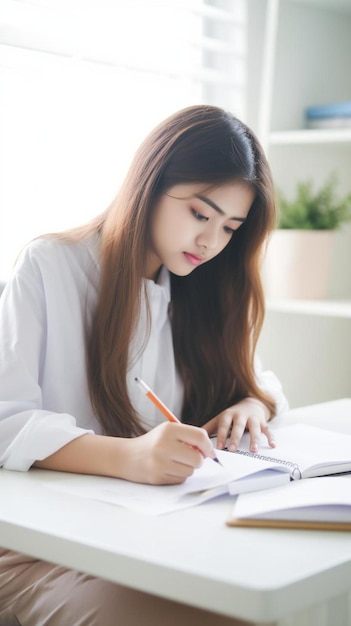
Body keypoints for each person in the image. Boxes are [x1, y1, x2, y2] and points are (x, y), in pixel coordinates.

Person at [0, 104, 288, 625]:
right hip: (38, 547)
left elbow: (263, 383)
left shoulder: (203, 287)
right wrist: (131, 457)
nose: (211, 242)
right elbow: (7, 421)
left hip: (147, 541)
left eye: (230, 227)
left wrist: (249, 403)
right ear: (149, 185)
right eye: (201, 214)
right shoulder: (49, 266)